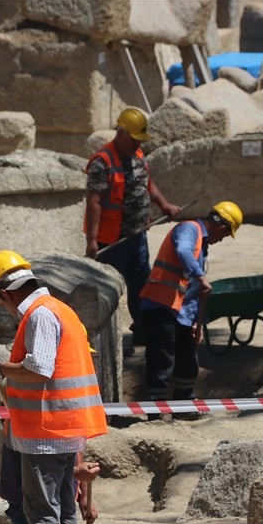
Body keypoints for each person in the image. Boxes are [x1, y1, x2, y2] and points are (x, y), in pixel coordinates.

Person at [0, 251, 108, 524]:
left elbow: (39, 368)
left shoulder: (40, 315)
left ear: (6, 292)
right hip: (62, 429)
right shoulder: (61, 310)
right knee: (63, 510)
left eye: (0, 301)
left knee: (43, 513)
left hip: (44, 433)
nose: (3, 308)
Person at [84, 106, 181, 352]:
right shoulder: (102, 162)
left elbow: (148, 184)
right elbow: (94, 202)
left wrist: (164, 204)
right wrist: (92, 240)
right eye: (134, 139)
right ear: (122, 132)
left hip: (137, 236)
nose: (137, 144)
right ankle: (110, 339)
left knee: (142, 285)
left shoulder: (137, 154)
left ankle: (142, 331)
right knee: (110, 289)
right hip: (111, 241)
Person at [138, 201, 243, 411]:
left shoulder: (202, 245)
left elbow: (193, 290)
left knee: (187, 358)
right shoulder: (189, 229)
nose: (221, 240)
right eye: (225, 234)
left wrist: (197, 322)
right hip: (161, 304)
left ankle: (184, 404)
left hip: (181, 311)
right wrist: (201, 276)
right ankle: (156, 410)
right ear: (221, 227)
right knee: (162, 358)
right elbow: (183, 251)